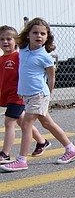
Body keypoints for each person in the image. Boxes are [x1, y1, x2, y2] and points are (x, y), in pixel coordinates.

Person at [1, 18, 75, 172]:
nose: (39, 36)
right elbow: (12, 39)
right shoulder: (23, 50)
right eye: (35, 33)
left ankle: (21, 160)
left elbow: (51, 77)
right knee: (47, 124)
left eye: (43, 34)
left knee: (25, 124)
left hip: (38, 94)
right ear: (28, 35)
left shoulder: (45, 56)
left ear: (47, 37)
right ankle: (71, 149)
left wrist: (48, 95)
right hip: (27, 95)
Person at [1, 25, 50, 162]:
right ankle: (41, 141)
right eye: (2, 39)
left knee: (9, 121)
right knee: (21, 121)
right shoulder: (2, 59)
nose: (5, 42)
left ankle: (5, 153)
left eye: (9, 39)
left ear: (16, 40)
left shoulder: (19, 56)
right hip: (8, 95)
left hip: (19, 95)